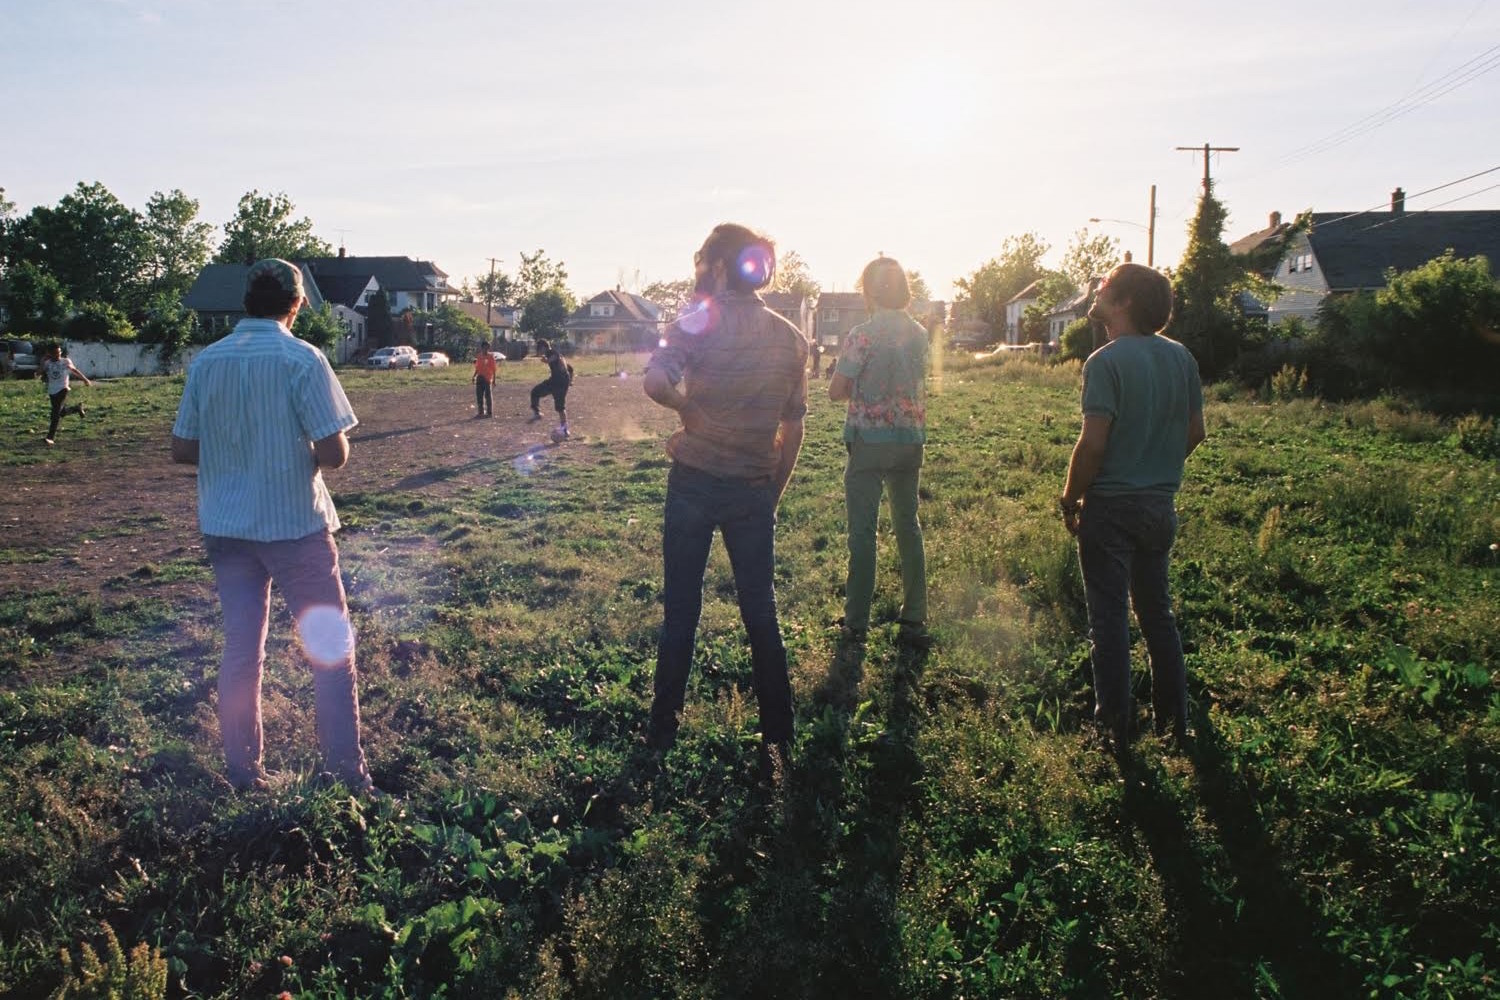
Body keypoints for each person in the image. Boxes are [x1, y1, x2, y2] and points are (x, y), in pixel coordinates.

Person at [171, 258, 376, 795]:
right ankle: (347, 776)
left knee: (242, 650)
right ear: (298, 302)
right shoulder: (302, 359)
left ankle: (244, 772)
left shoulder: (206, 361)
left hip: (226, 525)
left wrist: (236, 453)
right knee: (330, 650)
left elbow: (182, 448)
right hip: (293, 526)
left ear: (245, 301)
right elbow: (334, 454)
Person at [642, 223, 809, 777]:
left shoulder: (694, 323)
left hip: (693, 481)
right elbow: (795, 427)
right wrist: (773, 493)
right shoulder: (792, 338)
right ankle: (779, 739)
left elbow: (655, 383)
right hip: (754, 490)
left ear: (716, 267)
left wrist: (688, 411)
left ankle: (663, 727)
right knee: (762, 614)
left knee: (681, 612)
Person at [1060, 262, 1206, 749]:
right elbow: (1195, 432)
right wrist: (1156, 467)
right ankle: (1174, 721)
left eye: (1103, 289)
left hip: (1111, 509)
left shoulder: (1104, 362)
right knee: (1157, 613)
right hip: (1160, 506)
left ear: (1122, 303)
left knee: (1109, 619)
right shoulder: (1181, 358)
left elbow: (1093, 444)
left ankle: (1115, 729)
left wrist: (1071, 495)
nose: (1096, 295)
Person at [829, 256, 929, 647]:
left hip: (869, 442)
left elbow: (838, 389)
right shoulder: (920, 333)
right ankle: (915, 614)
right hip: (909, 440)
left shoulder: (862, 335)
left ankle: (856, 620)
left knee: (863, 532)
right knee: (908, 526)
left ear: (869, 290)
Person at [42, 343, 92, 446]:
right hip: (52, 391)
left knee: (55, 414)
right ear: (50, 353)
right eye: (55, 353)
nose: (58, 354)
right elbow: (38, 373)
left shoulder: (65, 361)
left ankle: (50, 437)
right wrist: (42, 364)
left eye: (59, 352)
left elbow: (74, 370)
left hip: (63, 389)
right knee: (61, 412)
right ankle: (76, 408)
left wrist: (85, 379)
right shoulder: (47, 363)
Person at [528, 338, 572, 437]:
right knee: (535, 392)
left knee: (560, 407)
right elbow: (569, 368)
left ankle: (565, 430)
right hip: (556, 381)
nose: (538, 351)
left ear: (544, 347)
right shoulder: (554, 353)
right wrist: (571, 379)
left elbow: (554, 358)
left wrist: (547, 360)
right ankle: (537, 413)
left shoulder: (553, 352)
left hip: (560, 382)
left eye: (539, 349)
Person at [472, 341, 497, 418]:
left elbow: (494, 369)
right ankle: (481, 411)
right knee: (479, 396)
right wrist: (474, 376)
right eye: (485, 348)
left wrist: (494, 380)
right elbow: (477, 368)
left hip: (487, 378)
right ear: (482, 348)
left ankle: (489, 412)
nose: (486, 349)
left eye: (487, 348)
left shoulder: (490, 357)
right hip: (480, 377)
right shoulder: (479, 356)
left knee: (488, 396)